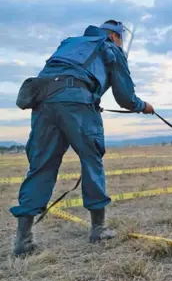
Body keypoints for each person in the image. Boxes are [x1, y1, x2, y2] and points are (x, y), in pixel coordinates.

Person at [9, 20, 154, 257]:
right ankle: (98, 229)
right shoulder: (111, 48)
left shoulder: (72, 43)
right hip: (77, 104)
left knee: (41, 166)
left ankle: (23, 241)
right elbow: (125, 97)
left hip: (44, 102)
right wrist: (143, 106)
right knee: (91, 162)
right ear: (116, 37)